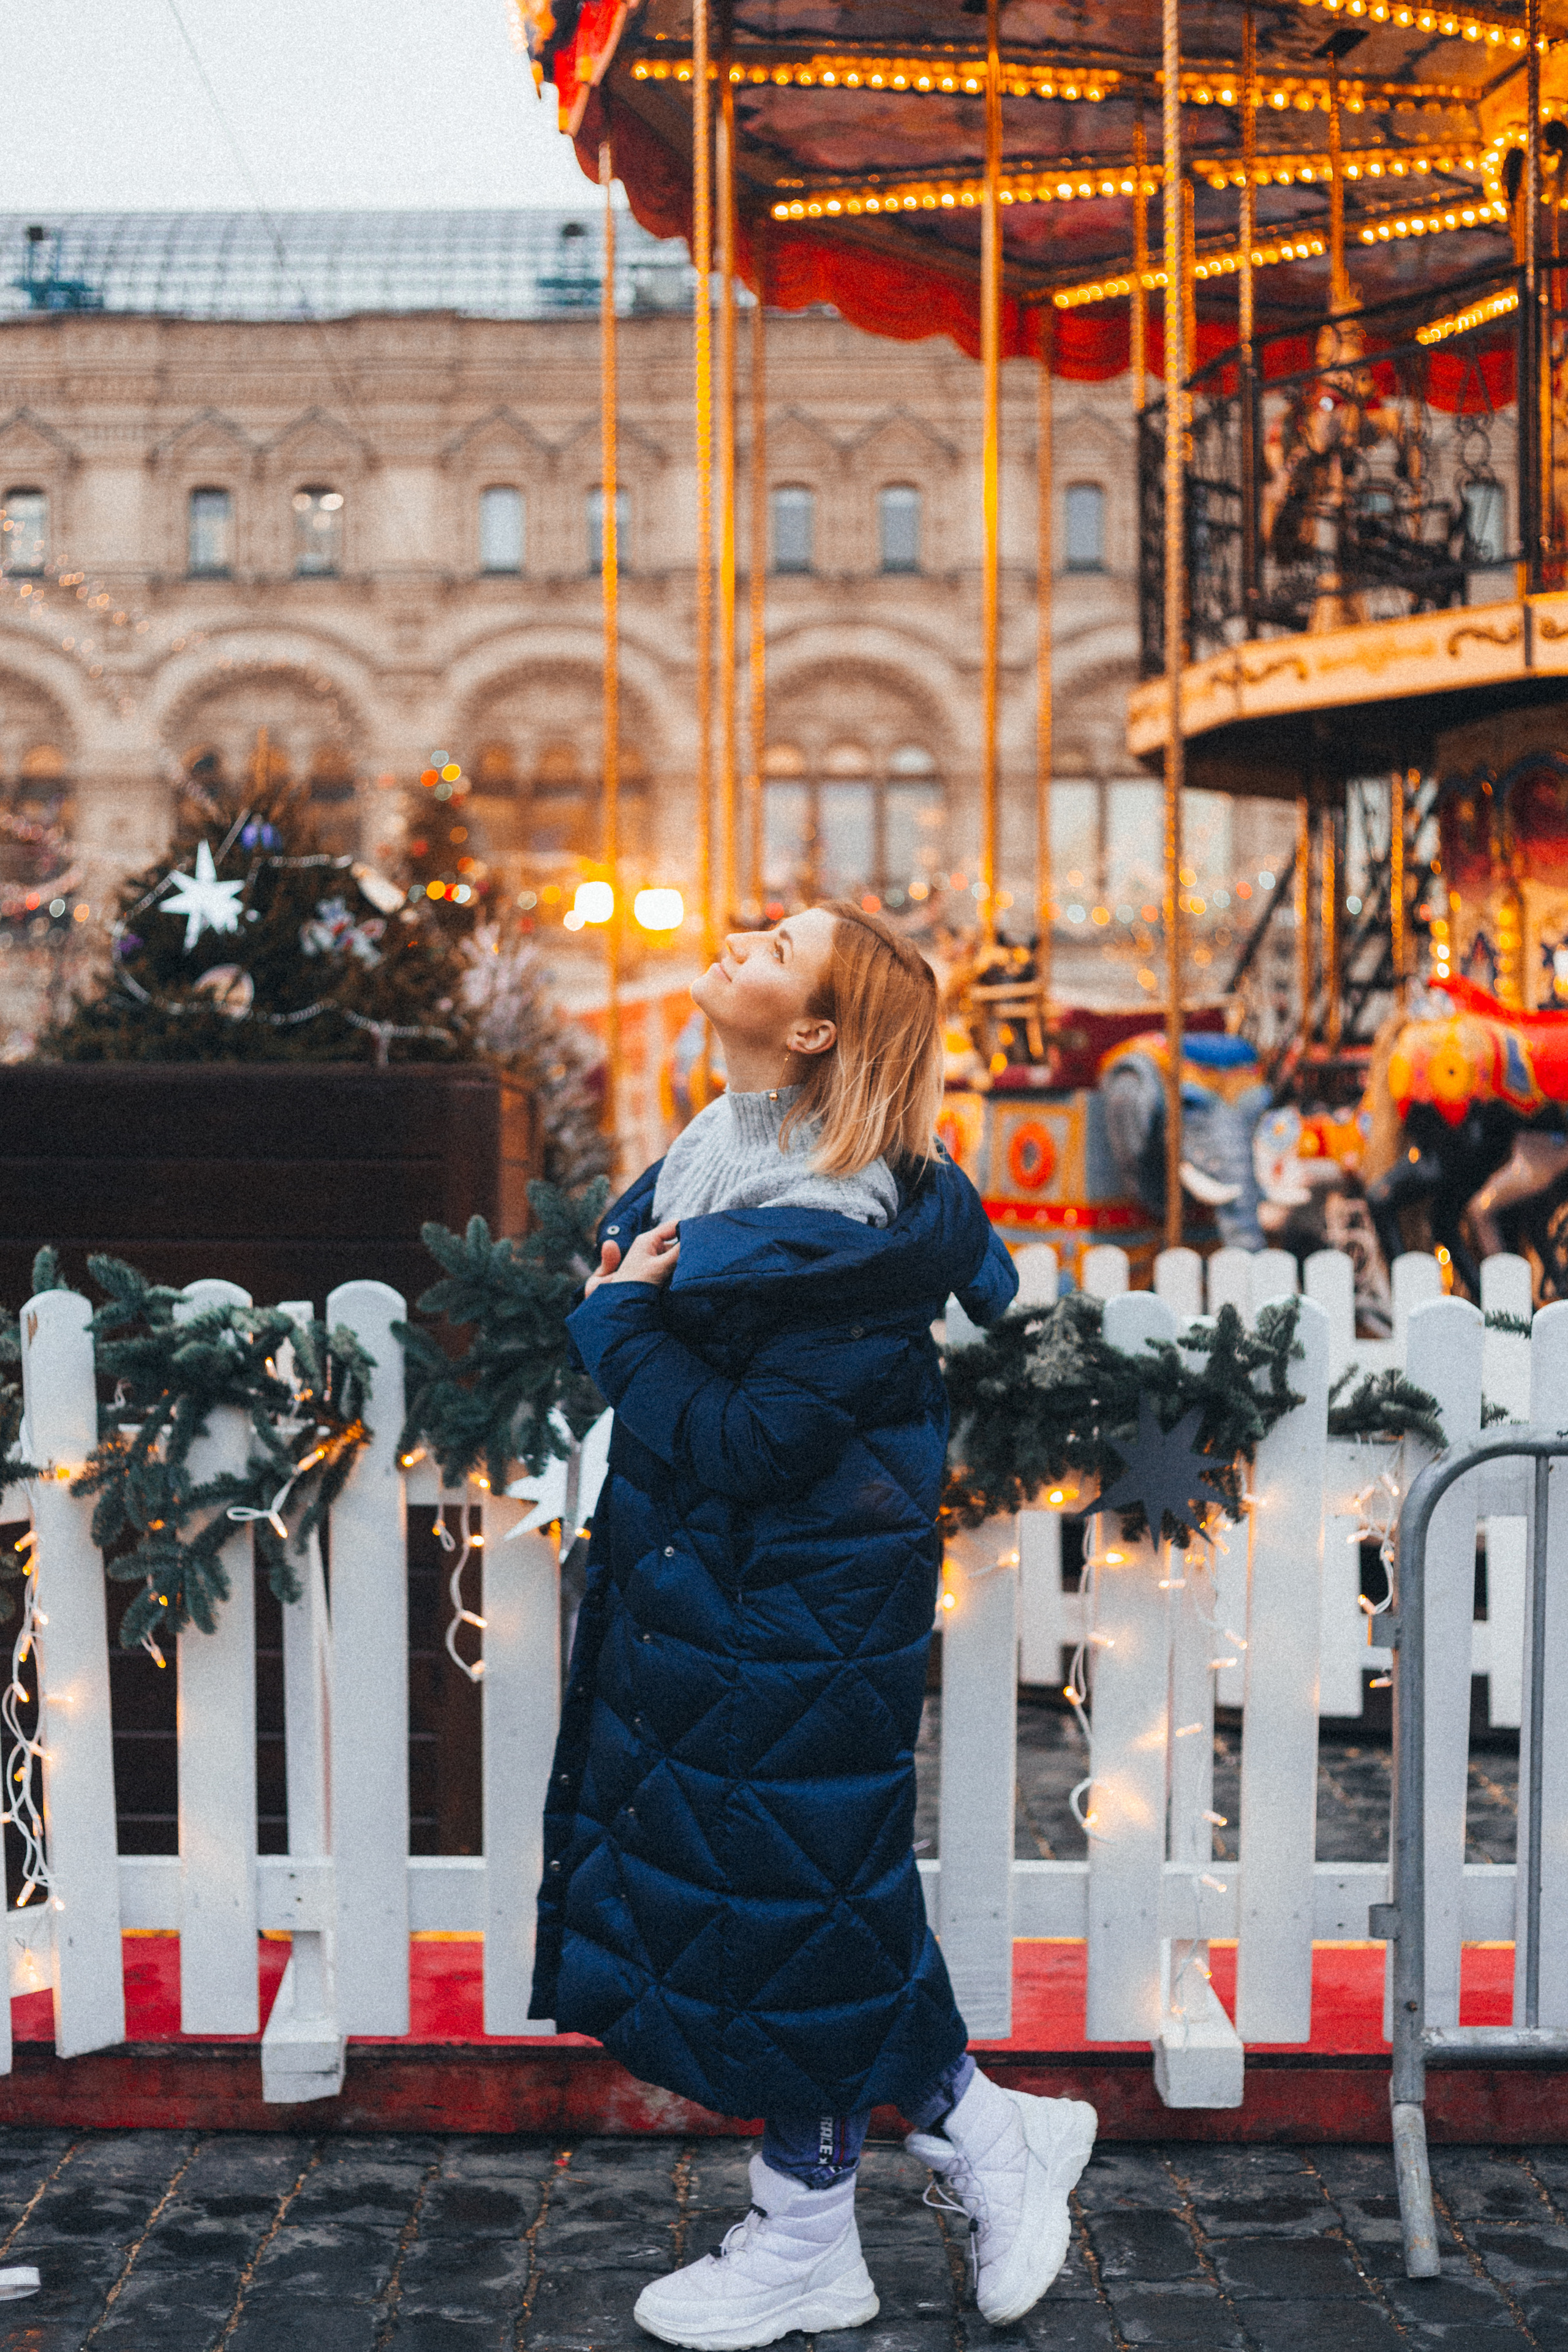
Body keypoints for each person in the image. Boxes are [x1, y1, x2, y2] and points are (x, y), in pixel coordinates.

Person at [530, 901, 1096, 2351]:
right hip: (729, 1603)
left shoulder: (831, 1235)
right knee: (803, 1892)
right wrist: (633, 1299)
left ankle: (806, 2232)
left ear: (814, 1032)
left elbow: (746, 1439)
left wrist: (614, 1329)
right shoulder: (724, 1159)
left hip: (796, 1606)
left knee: (798, 1898)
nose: (739, 942)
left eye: (776, 947)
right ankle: (958, 2143)